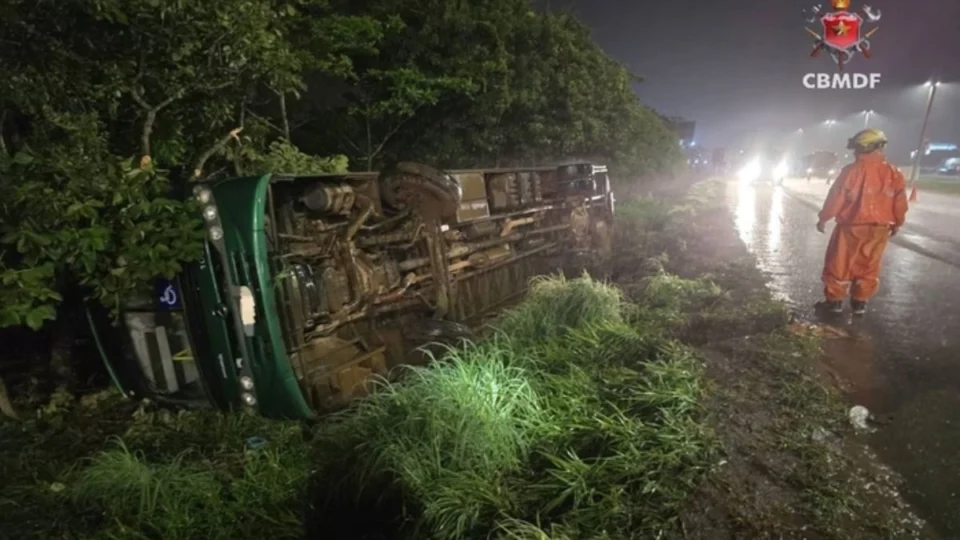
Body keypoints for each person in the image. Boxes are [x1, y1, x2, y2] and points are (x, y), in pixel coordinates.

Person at [815, 128, 907, 315]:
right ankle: (860, 303)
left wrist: (824, 218)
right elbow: (900, 203)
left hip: (851, 227)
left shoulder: (851, 171)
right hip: (880, 229)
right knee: (869, 265)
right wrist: (897, 223)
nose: (855, 152)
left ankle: (834, 302)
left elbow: (836, 198)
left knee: (839, 263)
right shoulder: (894, 173)